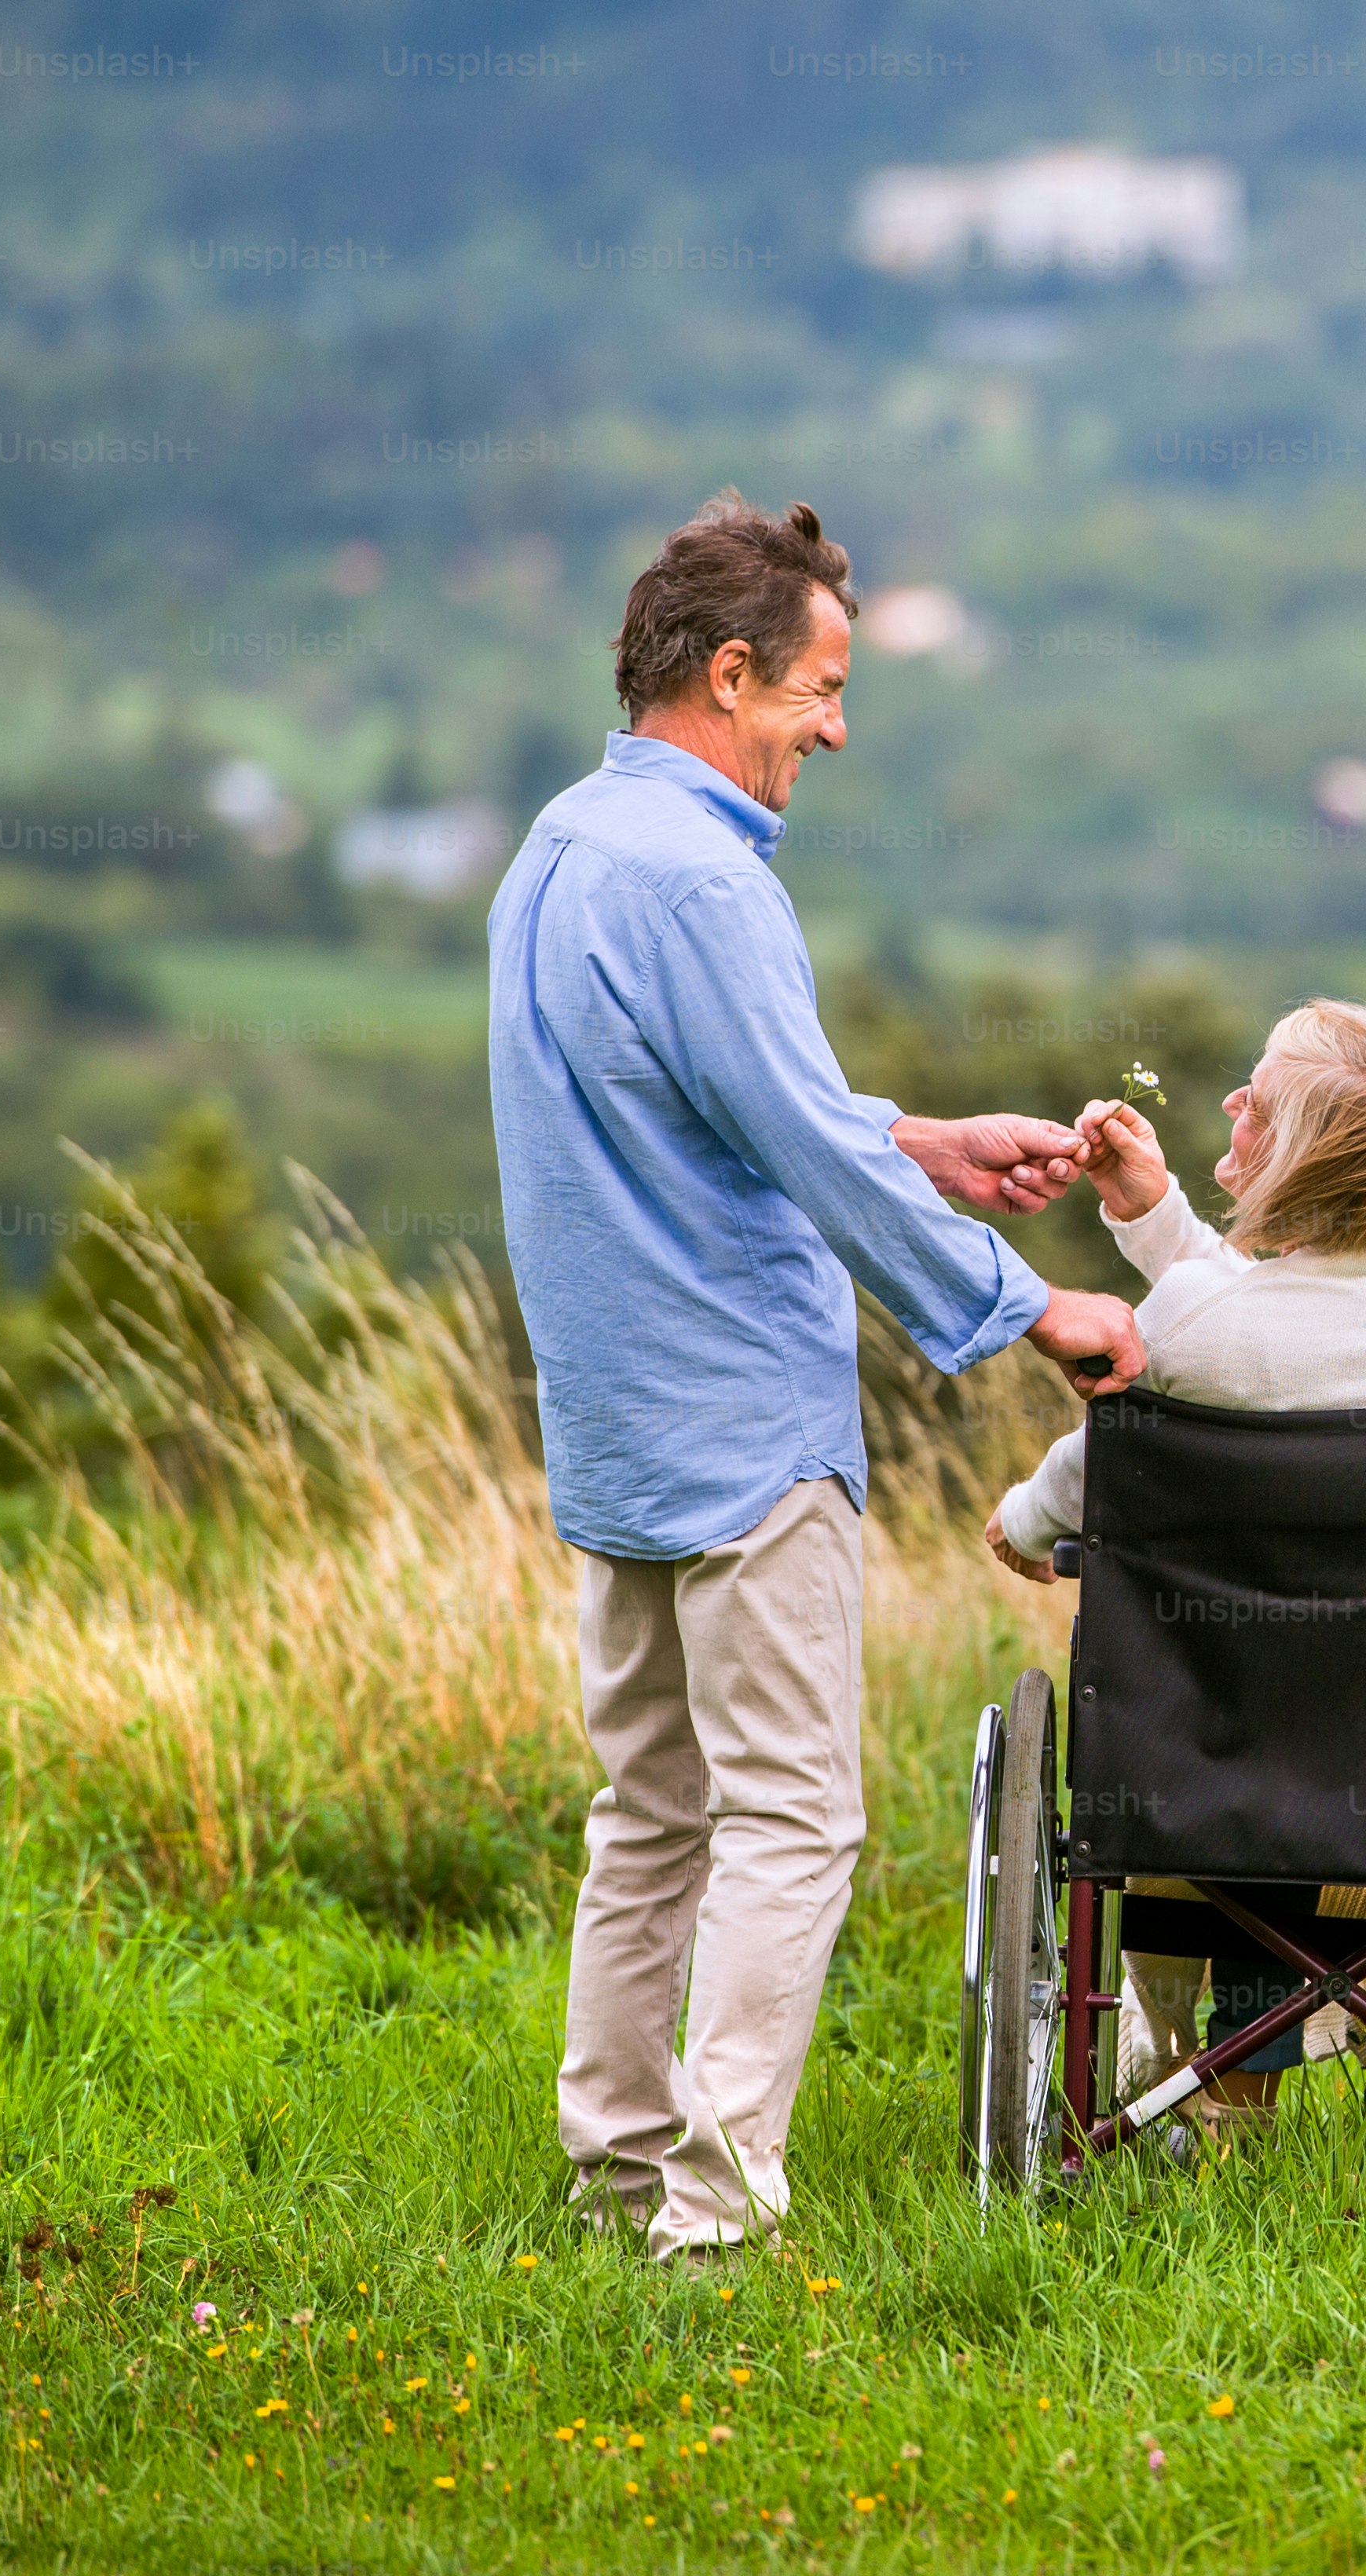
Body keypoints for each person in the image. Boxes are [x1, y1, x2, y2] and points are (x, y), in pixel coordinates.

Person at [489, 490, 1147, 2259]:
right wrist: (1038, 1308)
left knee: (650, 1805)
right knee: (794, 1810)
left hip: (616, 1417)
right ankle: (711, 2213)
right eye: (821, 690)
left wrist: (923, 1135)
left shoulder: (563, 848)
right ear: (727, 672)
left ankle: (619, 2160)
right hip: (740, 1418)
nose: (837, 728)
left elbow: (714, 1107)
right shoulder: (705, 878)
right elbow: (787, 1135)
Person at [982, 1000, 1366, 2149]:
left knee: (1265, 1730)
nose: (1232, 1100)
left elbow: (1133, 1431)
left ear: (1307, 1158)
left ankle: (1242, 2092)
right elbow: (1290, 1326)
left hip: (1238, 1726)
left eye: (1260, 1102)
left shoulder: (1199, 1324)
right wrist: (1160, 1215)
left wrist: (1025, 1521)